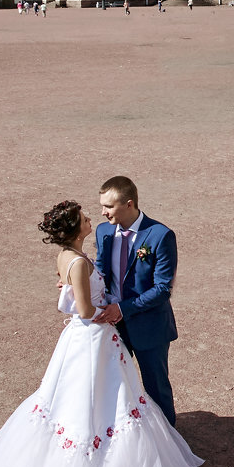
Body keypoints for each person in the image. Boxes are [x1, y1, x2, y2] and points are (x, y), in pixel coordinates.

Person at [0, 201, 202, 467]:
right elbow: (87, 309)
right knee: (103, 396)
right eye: (86, 218)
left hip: (83, 337)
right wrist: (112, 310)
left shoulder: (67, 256)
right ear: (77, 228)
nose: (94, 219)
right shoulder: (76, 261)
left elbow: (72, 296)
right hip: (92, 337)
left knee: (84, 396)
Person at [92, 176, 180, 426]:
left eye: (108, 206)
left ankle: (169, 446)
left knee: (156, 388)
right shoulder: (103, 231)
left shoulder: (160, 235)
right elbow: (100, 271)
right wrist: (73, 281)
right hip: (113, 326)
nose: (102, 212)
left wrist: (122, 308)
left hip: (149, 327)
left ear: (129, 204)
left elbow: (163, 289)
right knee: (114, 385)